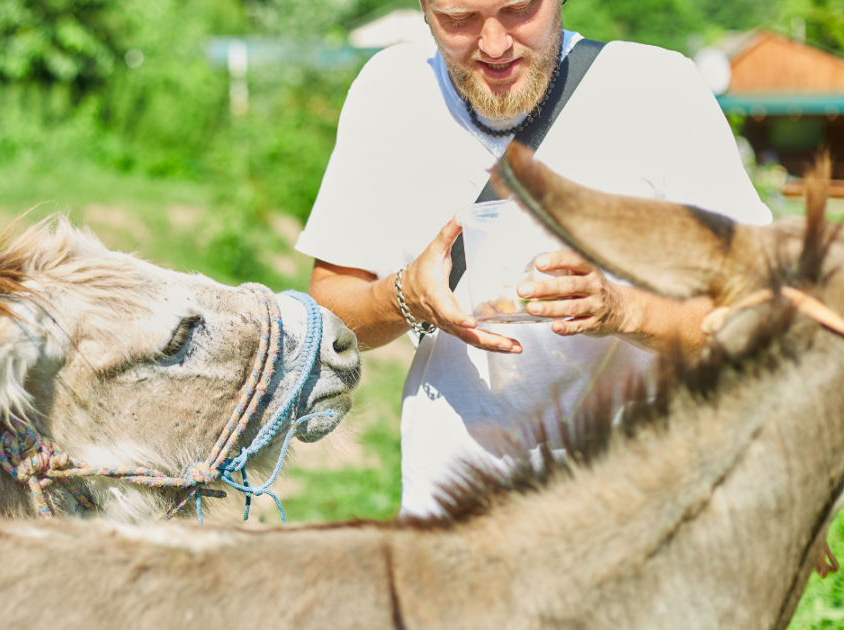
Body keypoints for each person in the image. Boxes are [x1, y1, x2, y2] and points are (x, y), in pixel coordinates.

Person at [294, 0, 772, 517]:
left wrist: (624, 311)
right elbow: (331, 313)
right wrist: (405, 296)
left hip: (641, 513)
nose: (495, 45)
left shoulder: (657, 87)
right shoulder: (388, 91)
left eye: (519, 10)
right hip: (453, 512)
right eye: (459, 20)